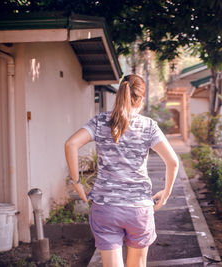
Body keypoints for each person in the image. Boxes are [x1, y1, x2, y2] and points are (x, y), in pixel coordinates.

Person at [64, 74, 179, 267]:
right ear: (141, 99)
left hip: (106, 209)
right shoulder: (149, 126)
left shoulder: (100, 121)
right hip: (139, 209)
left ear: (120, 93)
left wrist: (77, 184)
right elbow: (173, 162)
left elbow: (71, 144)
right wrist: (166, 193)